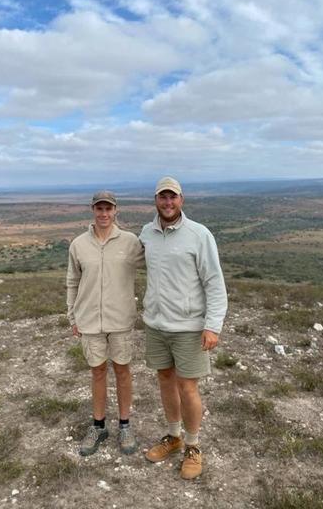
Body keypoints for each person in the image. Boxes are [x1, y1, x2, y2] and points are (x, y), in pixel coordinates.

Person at [139, 176, 227, 479]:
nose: (167, 203)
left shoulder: (199, 235)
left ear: (182, 199)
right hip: (156, 324)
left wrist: (212, 325)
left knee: (187, 386)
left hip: (189, 327)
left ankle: (192, 445)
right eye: (162, 197)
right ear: (155, 201)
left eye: (172, 197)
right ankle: (174, 436)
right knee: (165, 378)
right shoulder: (146, 233)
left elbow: (214, 283)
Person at [66, 190, 143, 456]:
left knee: (122, 370)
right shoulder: (78, 244)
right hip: (88, 320)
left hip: (120, 319)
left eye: (108, 209)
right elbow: (72, 281)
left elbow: (158, 264)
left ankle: (124, 425)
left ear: (115, 211)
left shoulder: (131, 242)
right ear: (92, 210)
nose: (104, 214)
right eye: (99, 209)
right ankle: (98, 426)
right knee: (97, 372)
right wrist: (72, 315)